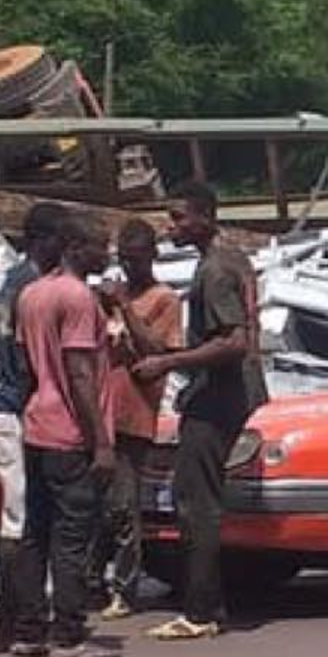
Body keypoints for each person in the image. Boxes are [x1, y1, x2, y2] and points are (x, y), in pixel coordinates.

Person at [134, 182, 268, 641]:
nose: (171, 227)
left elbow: (232, 342)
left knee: (196, 503)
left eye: (179, 218)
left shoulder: (213, 271)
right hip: (237, 392)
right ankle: (209, 605)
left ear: (205, 217)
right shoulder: (235, 259)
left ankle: (201, 611)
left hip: (219, 397)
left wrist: (167, 362)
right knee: (200, 499)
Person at [8, 212, 120, 657]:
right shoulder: (78, 298)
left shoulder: (31, 295)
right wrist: (102, 442)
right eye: (100, 247)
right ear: (76, 246)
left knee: (36, 531)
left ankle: (30, 628)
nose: (106, 256)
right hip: (71, 432)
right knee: (72, 535)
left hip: (36, 426)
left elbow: (25, 366)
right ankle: (68, 634)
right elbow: (79, 372)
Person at [0, 201, 68, 653]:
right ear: (43, 240)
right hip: (20, 408)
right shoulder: (31, 286)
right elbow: (25, 360)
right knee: (21, 519)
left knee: (28, 516)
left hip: (15, 405)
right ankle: (15, 619)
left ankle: (19, 617)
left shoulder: (12, 283)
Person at [92, 218, 182, 619]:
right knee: (96, 504)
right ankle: (93, 581)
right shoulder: (111, 297)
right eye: (123, 259)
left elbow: (156, 351)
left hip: (135, 414)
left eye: (136, 259)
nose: (129, 267)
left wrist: (125, 308)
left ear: (152, 256)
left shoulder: (164, 300)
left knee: (124, 507)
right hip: (102, 411)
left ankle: (125, 589)